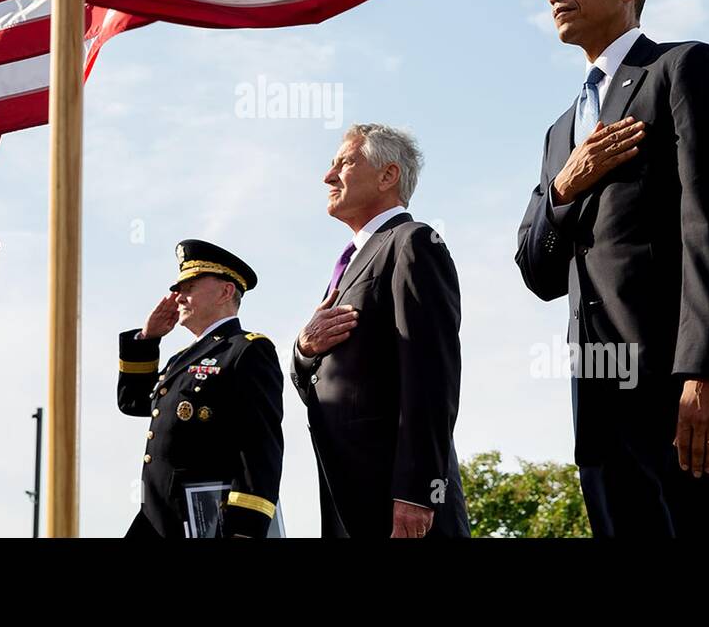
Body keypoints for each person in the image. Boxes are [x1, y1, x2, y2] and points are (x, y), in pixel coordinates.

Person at [515, 0, 709, 537]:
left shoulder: (685, 67)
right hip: (602, 415)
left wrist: (708, 372)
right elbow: (537, 271)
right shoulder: (560, 134)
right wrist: (563, 188)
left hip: (688, 396)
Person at [291, 123, 470, 537]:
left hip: (395, 499)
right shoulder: (350, 263)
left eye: (344, 163)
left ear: (388, 175)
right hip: (347, 495)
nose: (328, 176)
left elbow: (432, 376)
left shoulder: (412, 242)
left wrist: (418, 491)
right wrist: (304, 349)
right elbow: (320, 383)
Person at [117, 239, 283, 538]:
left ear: (225, 292)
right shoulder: (179, 360)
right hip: (157, 520)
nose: (178, 297)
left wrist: (244, 529)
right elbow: (134, 402)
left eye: (189, 287)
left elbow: (259, 448)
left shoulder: (246, 350)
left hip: (208, 522)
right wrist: (147, 339)